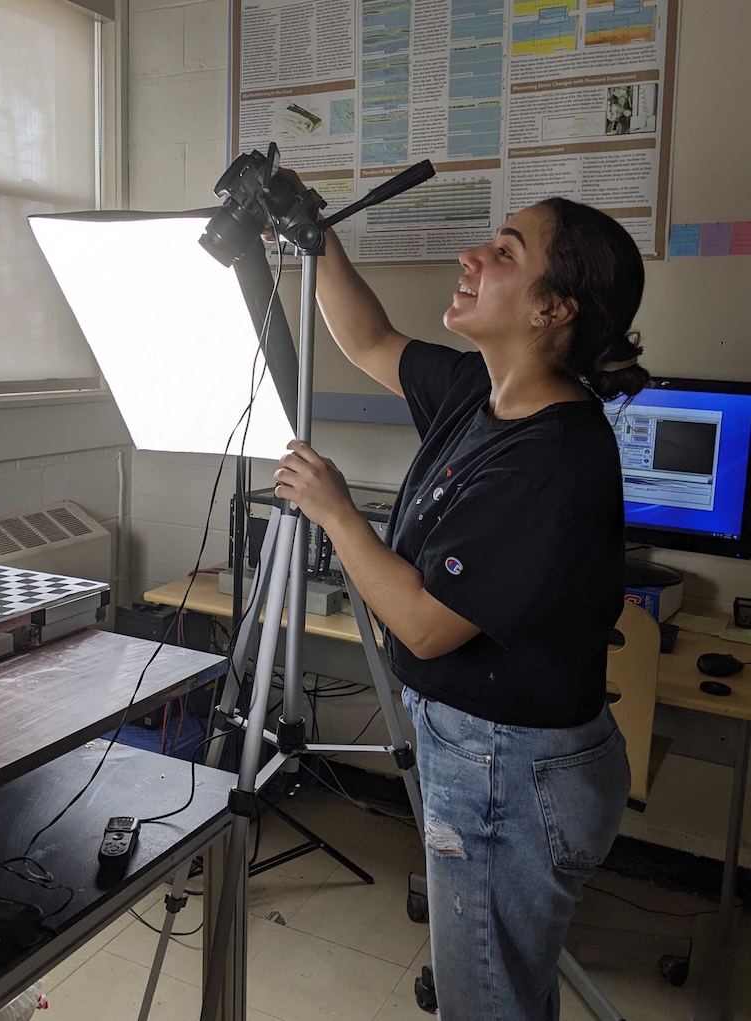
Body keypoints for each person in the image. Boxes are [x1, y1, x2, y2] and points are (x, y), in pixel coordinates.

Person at [272, 195, 647, 1020]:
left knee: (486, 1006)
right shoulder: (482, 393)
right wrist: (312, 231)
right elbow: (368, 339)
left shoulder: (554, 454)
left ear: (555, 309)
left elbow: (426, 622)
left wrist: (336, 510)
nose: (473, 257)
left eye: (506, 253)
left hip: (508, 771)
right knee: (503, 992)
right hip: (487, 755)